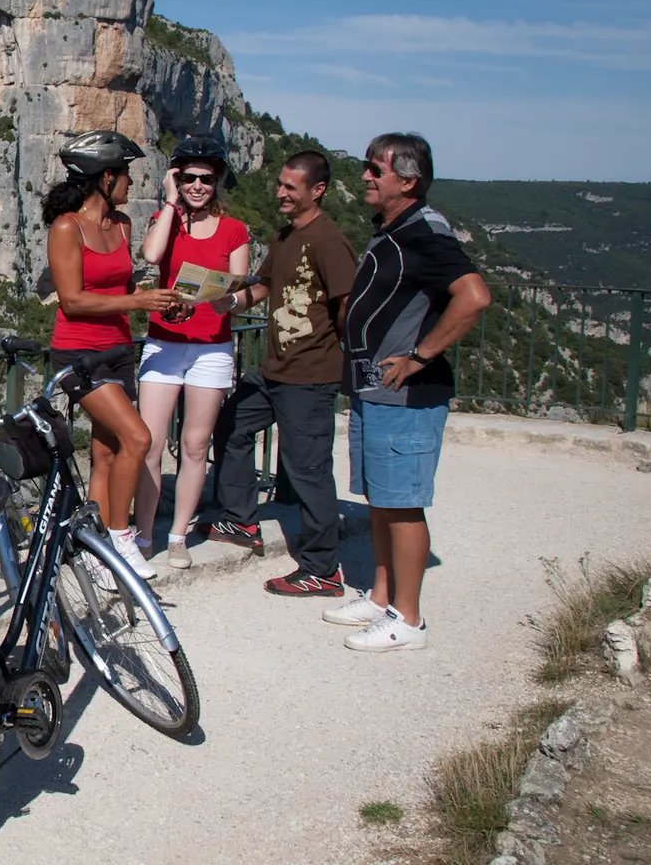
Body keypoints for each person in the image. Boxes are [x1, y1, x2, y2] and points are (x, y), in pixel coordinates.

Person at [326, 133, 491, 652]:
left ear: (408, 180)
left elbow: (474, 296)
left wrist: (421, 355)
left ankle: (409, 619)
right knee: (381, 499)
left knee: (404, 505)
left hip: (407, 398)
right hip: (373, 393)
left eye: (376, 170)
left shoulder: (425, 233)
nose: (366, 178)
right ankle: (380, 597)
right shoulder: (392, 232)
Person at [209, 150, 356, 596]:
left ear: (318, 191)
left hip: (309, 376)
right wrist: (231, 303)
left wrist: (341, 351)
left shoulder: (329, 241)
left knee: (307, 469)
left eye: (290, 187)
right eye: (280, 184)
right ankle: (240, 520)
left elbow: (348, 305)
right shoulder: (286, 235)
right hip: (274, 370)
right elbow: (265, 284)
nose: (280, 193)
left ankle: (322, 569)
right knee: (232, 424)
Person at [43, 129, 184, 581]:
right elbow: (74, 301)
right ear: (105, 177)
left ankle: (96, 551)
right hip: (78, 355)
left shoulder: (120, 226)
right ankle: (122, 541)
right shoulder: (67, 226)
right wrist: (137, 303)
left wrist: (159, 298)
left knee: (106, 456)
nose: (130, 183)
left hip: (118, 350)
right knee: (138, 439)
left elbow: (122, 290)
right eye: (125, 173)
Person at [134, 136, 251, 568]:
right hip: (164, 344)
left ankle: (179, 535)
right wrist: (168, 204)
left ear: (217, 180)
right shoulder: (165, 218)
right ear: (176, 178)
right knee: (150, 444)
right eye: (188, 177)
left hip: (211, 348)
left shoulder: (235, 229)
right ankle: (144, 535)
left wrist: (231, 301)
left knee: (196, 444)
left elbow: (241, 286)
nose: (197, 185)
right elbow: (150, 255)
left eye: (206, 177)